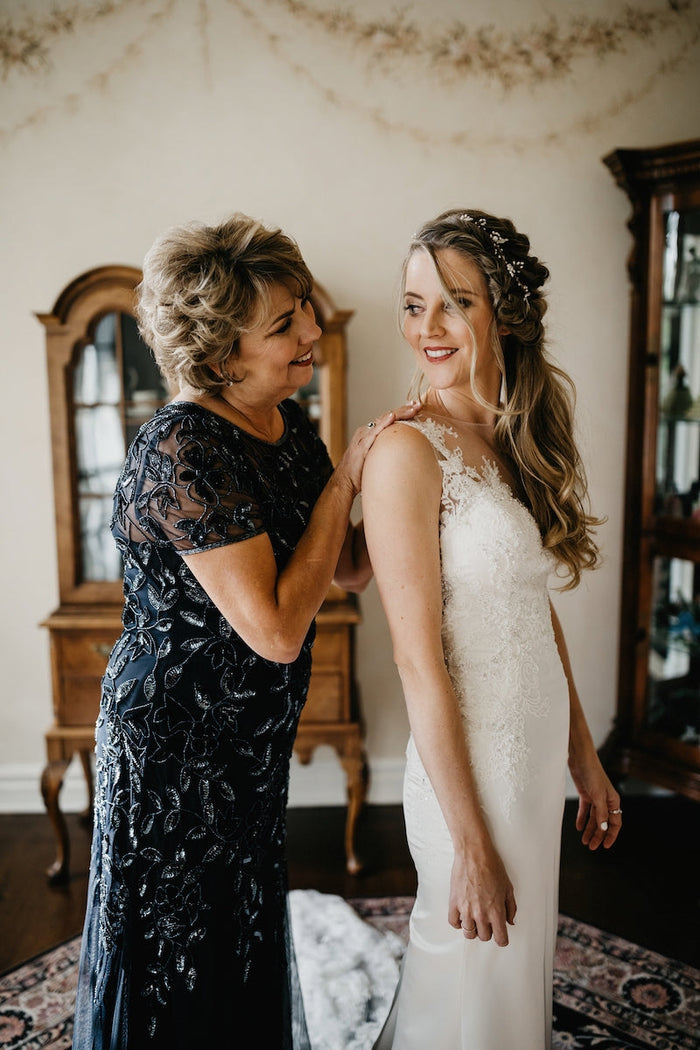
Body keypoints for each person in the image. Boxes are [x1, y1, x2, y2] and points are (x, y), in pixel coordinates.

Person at [72, 212, 419, 1049]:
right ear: (222, 354)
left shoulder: (285, 424)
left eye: (303, 307)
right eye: (283, 323)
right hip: (172, 750)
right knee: (174, 958)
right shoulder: (183, 451)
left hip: (246, 748)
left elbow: (351, 568)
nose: (310, 330)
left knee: (241, 934)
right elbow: (275, 630)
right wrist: (345, 482)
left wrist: (424, 475)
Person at [362, 209, 622, 1049]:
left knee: (514, 970)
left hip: (533, 746)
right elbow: (414, 655)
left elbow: (529, 608)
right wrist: (469, 838)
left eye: (452, 303)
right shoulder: (406, 453)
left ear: (502, 312)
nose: (425, 328)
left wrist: (584, 756)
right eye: (412, 304)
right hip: (466, 765)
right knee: (467, 969)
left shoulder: (510, 434)